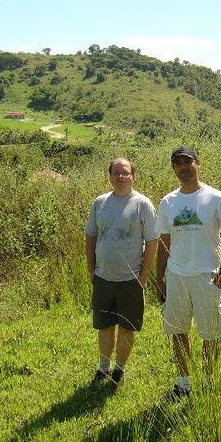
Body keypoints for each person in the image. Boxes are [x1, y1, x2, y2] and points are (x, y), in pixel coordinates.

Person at [154, 145, 221, 398]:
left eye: (187, 161)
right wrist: (160, 279)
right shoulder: (168, 201)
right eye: (178, 163)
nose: (183, 167)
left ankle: (209, 381)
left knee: (210, 333)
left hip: (207, 276)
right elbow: (164, 244)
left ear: (197, 163)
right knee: (178, 331)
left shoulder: (216, 198)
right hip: (177, 276)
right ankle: (183, 384)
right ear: (173, 168)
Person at [84, 158, 158, 386]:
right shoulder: (100, 203)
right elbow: (91, 236)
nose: (120, 177)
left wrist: (143, 277)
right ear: (109, 176)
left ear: (133, 176)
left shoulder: (143, 204)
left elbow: (152, 242)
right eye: (116, 173)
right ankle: (104, 367)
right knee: (104, 325)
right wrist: (91, 269)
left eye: (125, 173)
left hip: (131, 280)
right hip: (104, 277)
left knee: (127, 327)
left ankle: (119, 369)